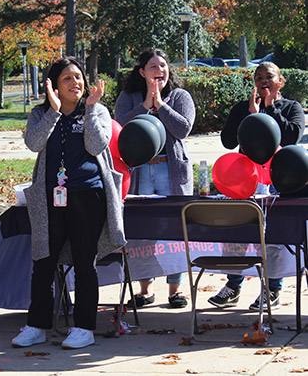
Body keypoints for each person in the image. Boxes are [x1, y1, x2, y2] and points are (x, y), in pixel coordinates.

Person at [11, 57, 126, 350]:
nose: (75, 83)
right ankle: (37, 325)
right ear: (53, 85)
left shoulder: (96, 110)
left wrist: (88, 110)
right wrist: (53, 111)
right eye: (67, 79)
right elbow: (34, 143)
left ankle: (84, 327)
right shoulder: (40, 114)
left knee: (84, 263)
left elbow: (96, 146)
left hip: (89, 195)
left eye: (78, 77)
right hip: (50, 199)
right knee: (43, 262)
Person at [208, 62, 305, 311]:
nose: (264, 81)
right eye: (259, 77)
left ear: (280, 81)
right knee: (237, 236)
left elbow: (292, 136)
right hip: (244, 181)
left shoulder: (291, 107)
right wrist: (250, 116)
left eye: (269, 77)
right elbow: (227, 140)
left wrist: (270, 110)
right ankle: (233, 286)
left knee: (273, 239)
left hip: (278, 182)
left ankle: (272, 289)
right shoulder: (243, 108)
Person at [115, 48, 195, 309]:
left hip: (168, 170)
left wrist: (160, 105)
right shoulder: (128, 97)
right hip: (139, 171)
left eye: (163, 65)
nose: (159, 69)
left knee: (174, 230)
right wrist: (145, 105)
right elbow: (120, 127)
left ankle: (175, 291)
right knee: (141, 231)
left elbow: (183, 129)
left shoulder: (180, 96)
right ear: (142, 71)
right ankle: (145, 289)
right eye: (153, 66)